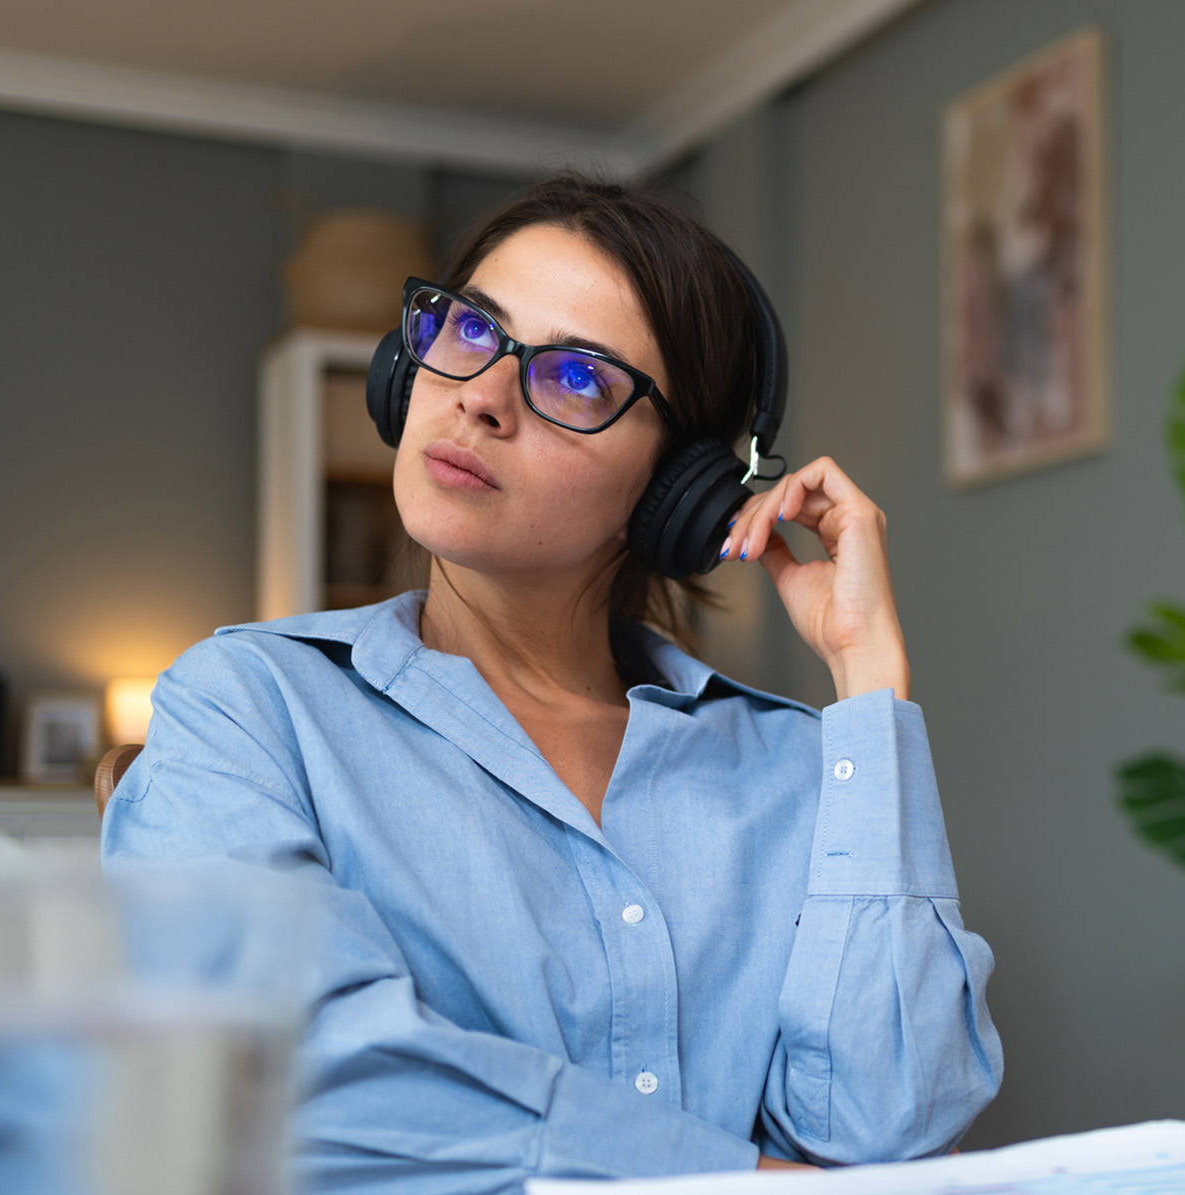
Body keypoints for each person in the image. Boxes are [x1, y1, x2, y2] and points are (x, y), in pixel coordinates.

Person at [100, 176, 1002, 1194]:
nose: (479, 395)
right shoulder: (248, 704)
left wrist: (870, 682)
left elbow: (890, 1141)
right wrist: (742, 1177)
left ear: (678, 488)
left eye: (577, 377)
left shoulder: (797, 767)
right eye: (470, 330)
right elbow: (281, 1079)